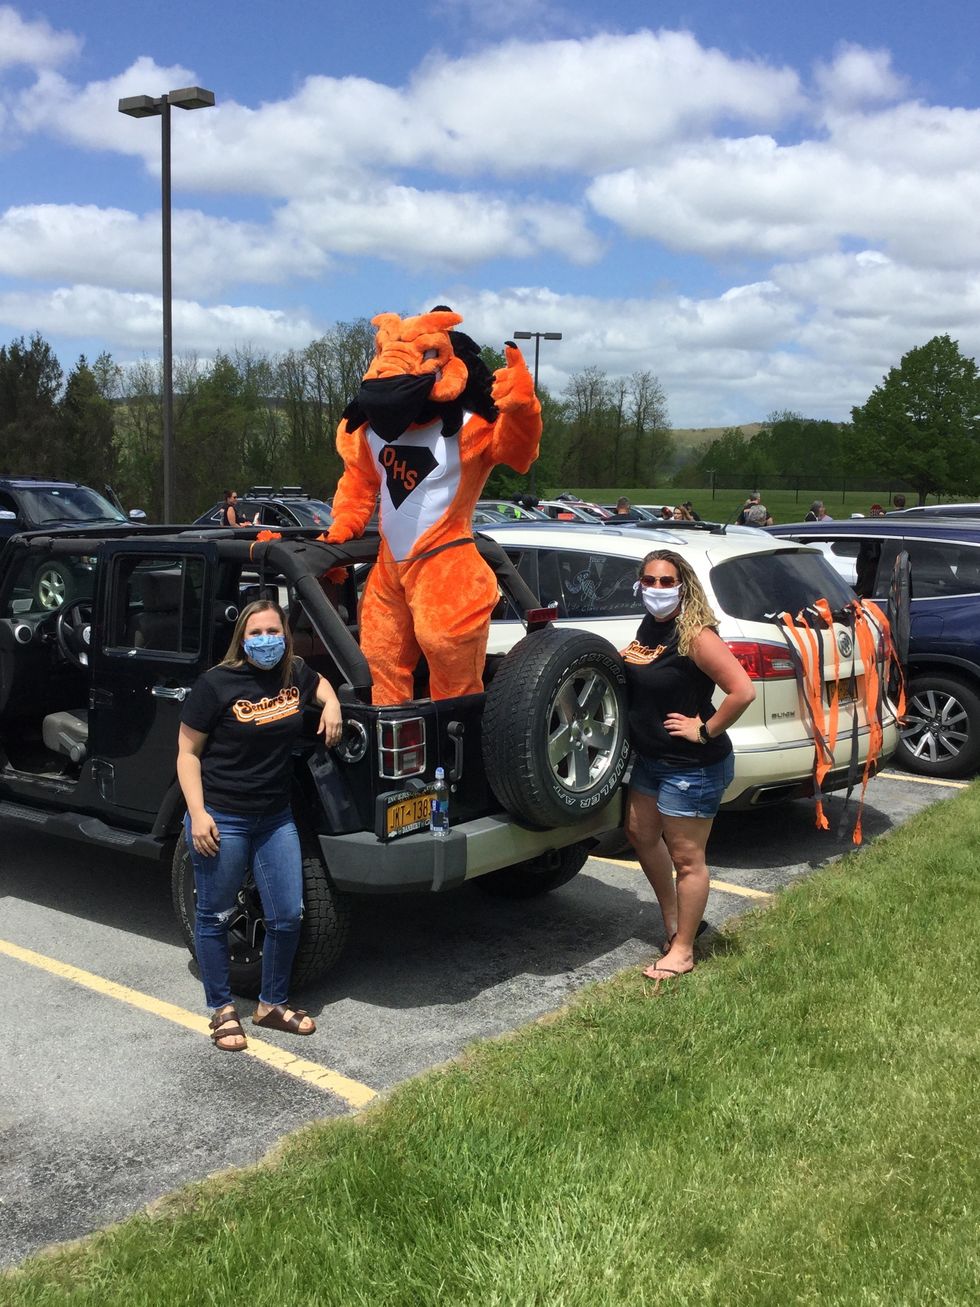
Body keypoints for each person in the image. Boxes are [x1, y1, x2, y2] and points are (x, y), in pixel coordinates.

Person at [176, 599, 343, 1051]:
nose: (266, 640)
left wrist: (332, 707)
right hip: (223, 816)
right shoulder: (216, 684)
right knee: (214, 915)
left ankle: (271, 1004)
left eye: (274, 631)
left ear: (285, 637)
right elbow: (187, 755)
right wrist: (199, 815)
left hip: (275, 818)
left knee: (287, 915)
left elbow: (322, 683)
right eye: (257, 633)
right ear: (242, 638)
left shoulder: (293, 674)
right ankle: (223, 1010)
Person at [622, 549, 755, 983]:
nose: (657, 589)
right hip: (651, 759)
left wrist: (705, 730)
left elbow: (742, 691)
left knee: (687, 858)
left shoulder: (695, 635)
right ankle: (676, 923)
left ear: (683, 585)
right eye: (649, 580)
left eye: (666, 581)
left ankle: (682, 951)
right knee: (640, 834)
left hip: (691, 765)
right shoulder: (652, 627)